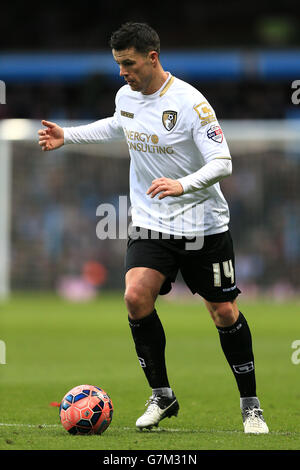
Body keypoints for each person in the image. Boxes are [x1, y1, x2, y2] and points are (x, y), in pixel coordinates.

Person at [38, 22, 269, 434]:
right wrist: (67, 136)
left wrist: (183, 184)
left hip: (204, 224)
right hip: (151, 222)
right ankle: (161, 395)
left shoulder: (191, 103)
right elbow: (117, 124)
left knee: (223, 312)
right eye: (118, 65)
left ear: (152, 57)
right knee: (135, 295)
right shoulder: (126, 95)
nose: (123, 72)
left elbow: (223, 162)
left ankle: (251, 405)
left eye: (128, 63)